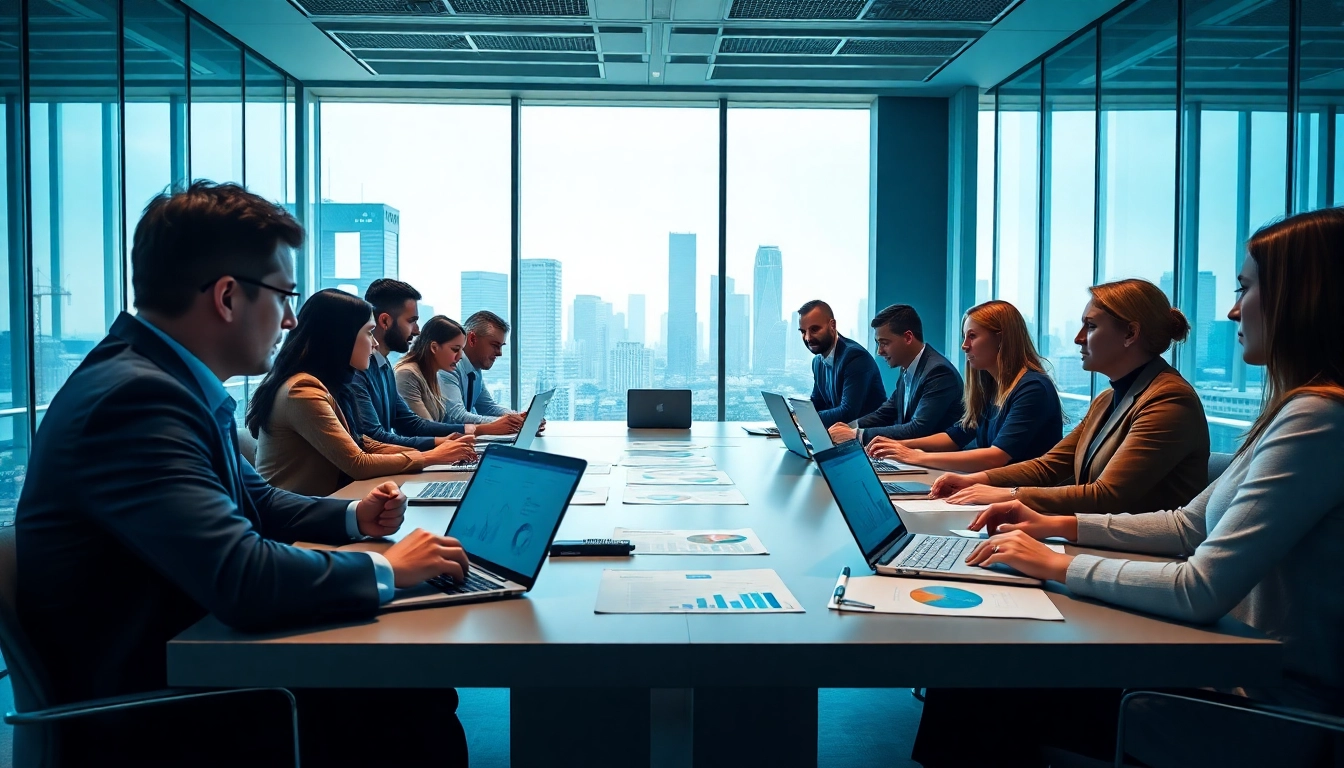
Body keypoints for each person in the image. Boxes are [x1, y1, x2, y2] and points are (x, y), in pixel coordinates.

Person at [15, 182, 470, 767]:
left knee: (414, 689)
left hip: (206, 656)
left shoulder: (167, 385)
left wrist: (356, 517)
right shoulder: (135, 401)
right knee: (412, 706)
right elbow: (241, 576)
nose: (287, 321)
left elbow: (261, 501)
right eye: (282, 297)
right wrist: (385, 568)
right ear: (228, 297)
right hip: (165, 712)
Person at [916, 208, 1344, 766]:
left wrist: (1055, 564)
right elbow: (1188, 523)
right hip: (1224, 657)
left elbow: (1200, 586)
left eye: (1245, 288)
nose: (1234, 308)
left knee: (981, 678)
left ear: (1301, 296)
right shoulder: (1296, 409)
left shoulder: (1317, 417)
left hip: (1254, 696)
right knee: (983, 673)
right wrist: (1050, 525)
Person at [929, 279, 1210, 515]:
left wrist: (1007, 495)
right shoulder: (1106, 400)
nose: (1078, 338)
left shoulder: (1169, 400)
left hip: (1142, 559)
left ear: (1130, 334)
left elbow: (1106, 496)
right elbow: (1048, 466)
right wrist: (974, 481)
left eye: (1090, 326)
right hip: (1100, 540)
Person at [248, 289, 478, 497]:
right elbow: (357, 462)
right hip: (296, 521)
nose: (375, 344)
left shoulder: (330, 384)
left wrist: (439, 447)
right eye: (369, 333)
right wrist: (432, 456)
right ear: (342, 337)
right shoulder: (302, 391)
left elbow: (364, 443)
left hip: (328, 504)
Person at [867, 299, 1063, 472]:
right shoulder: (991, 388)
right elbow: (955, 436)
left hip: (1023, 500)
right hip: (997, 491)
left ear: (1001, 339)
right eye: (964, 337)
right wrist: (899, 446)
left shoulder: (1033, 388)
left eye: (972, 336)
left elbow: (996, 457)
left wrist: (916, 456)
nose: (964, 346)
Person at [353, 279, 522, 446]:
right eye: (411, 321)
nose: (418, 330)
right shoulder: (368, 373)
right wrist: (439, 451)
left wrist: (478, 430)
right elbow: (374, 438)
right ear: (384, 321)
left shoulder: (385, 368)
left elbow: (412, 423)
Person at [827, 303, 963, 447]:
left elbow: (918, 428)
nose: (879, 351)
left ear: (908, 337)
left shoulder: (939, 372)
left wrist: (857, 435)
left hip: (940, 462)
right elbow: (887, 411)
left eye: (884, 343)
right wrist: (849, 427)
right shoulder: (908, 367)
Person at [798, 299, 885, 428]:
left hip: (870, 440)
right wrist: (795, 415)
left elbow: (847, 413)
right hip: (842, 438)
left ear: (832, 325)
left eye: (814, 329)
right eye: (803, 331)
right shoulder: (817, 362)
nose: (808, 338)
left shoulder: (854, 357)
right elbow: (818, 403)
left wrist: (805, 419)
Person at [442, 310, 523, 426]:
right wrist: (510, 422)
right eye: (495, 345)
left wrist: (518, 417)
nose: (500, 353)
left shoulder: (474, 370)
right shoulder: (449, 366)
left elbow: (488, 407)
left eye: (501, 346)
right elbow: (456, 417)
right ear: (472, 339)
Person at [396, 315, 468, 422]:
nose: (460, 356)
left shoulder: (434, 374)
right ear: (434, 347)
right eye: (455, 349)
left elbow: (446, 422)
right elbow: (424, 427)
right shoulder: (407, 374)